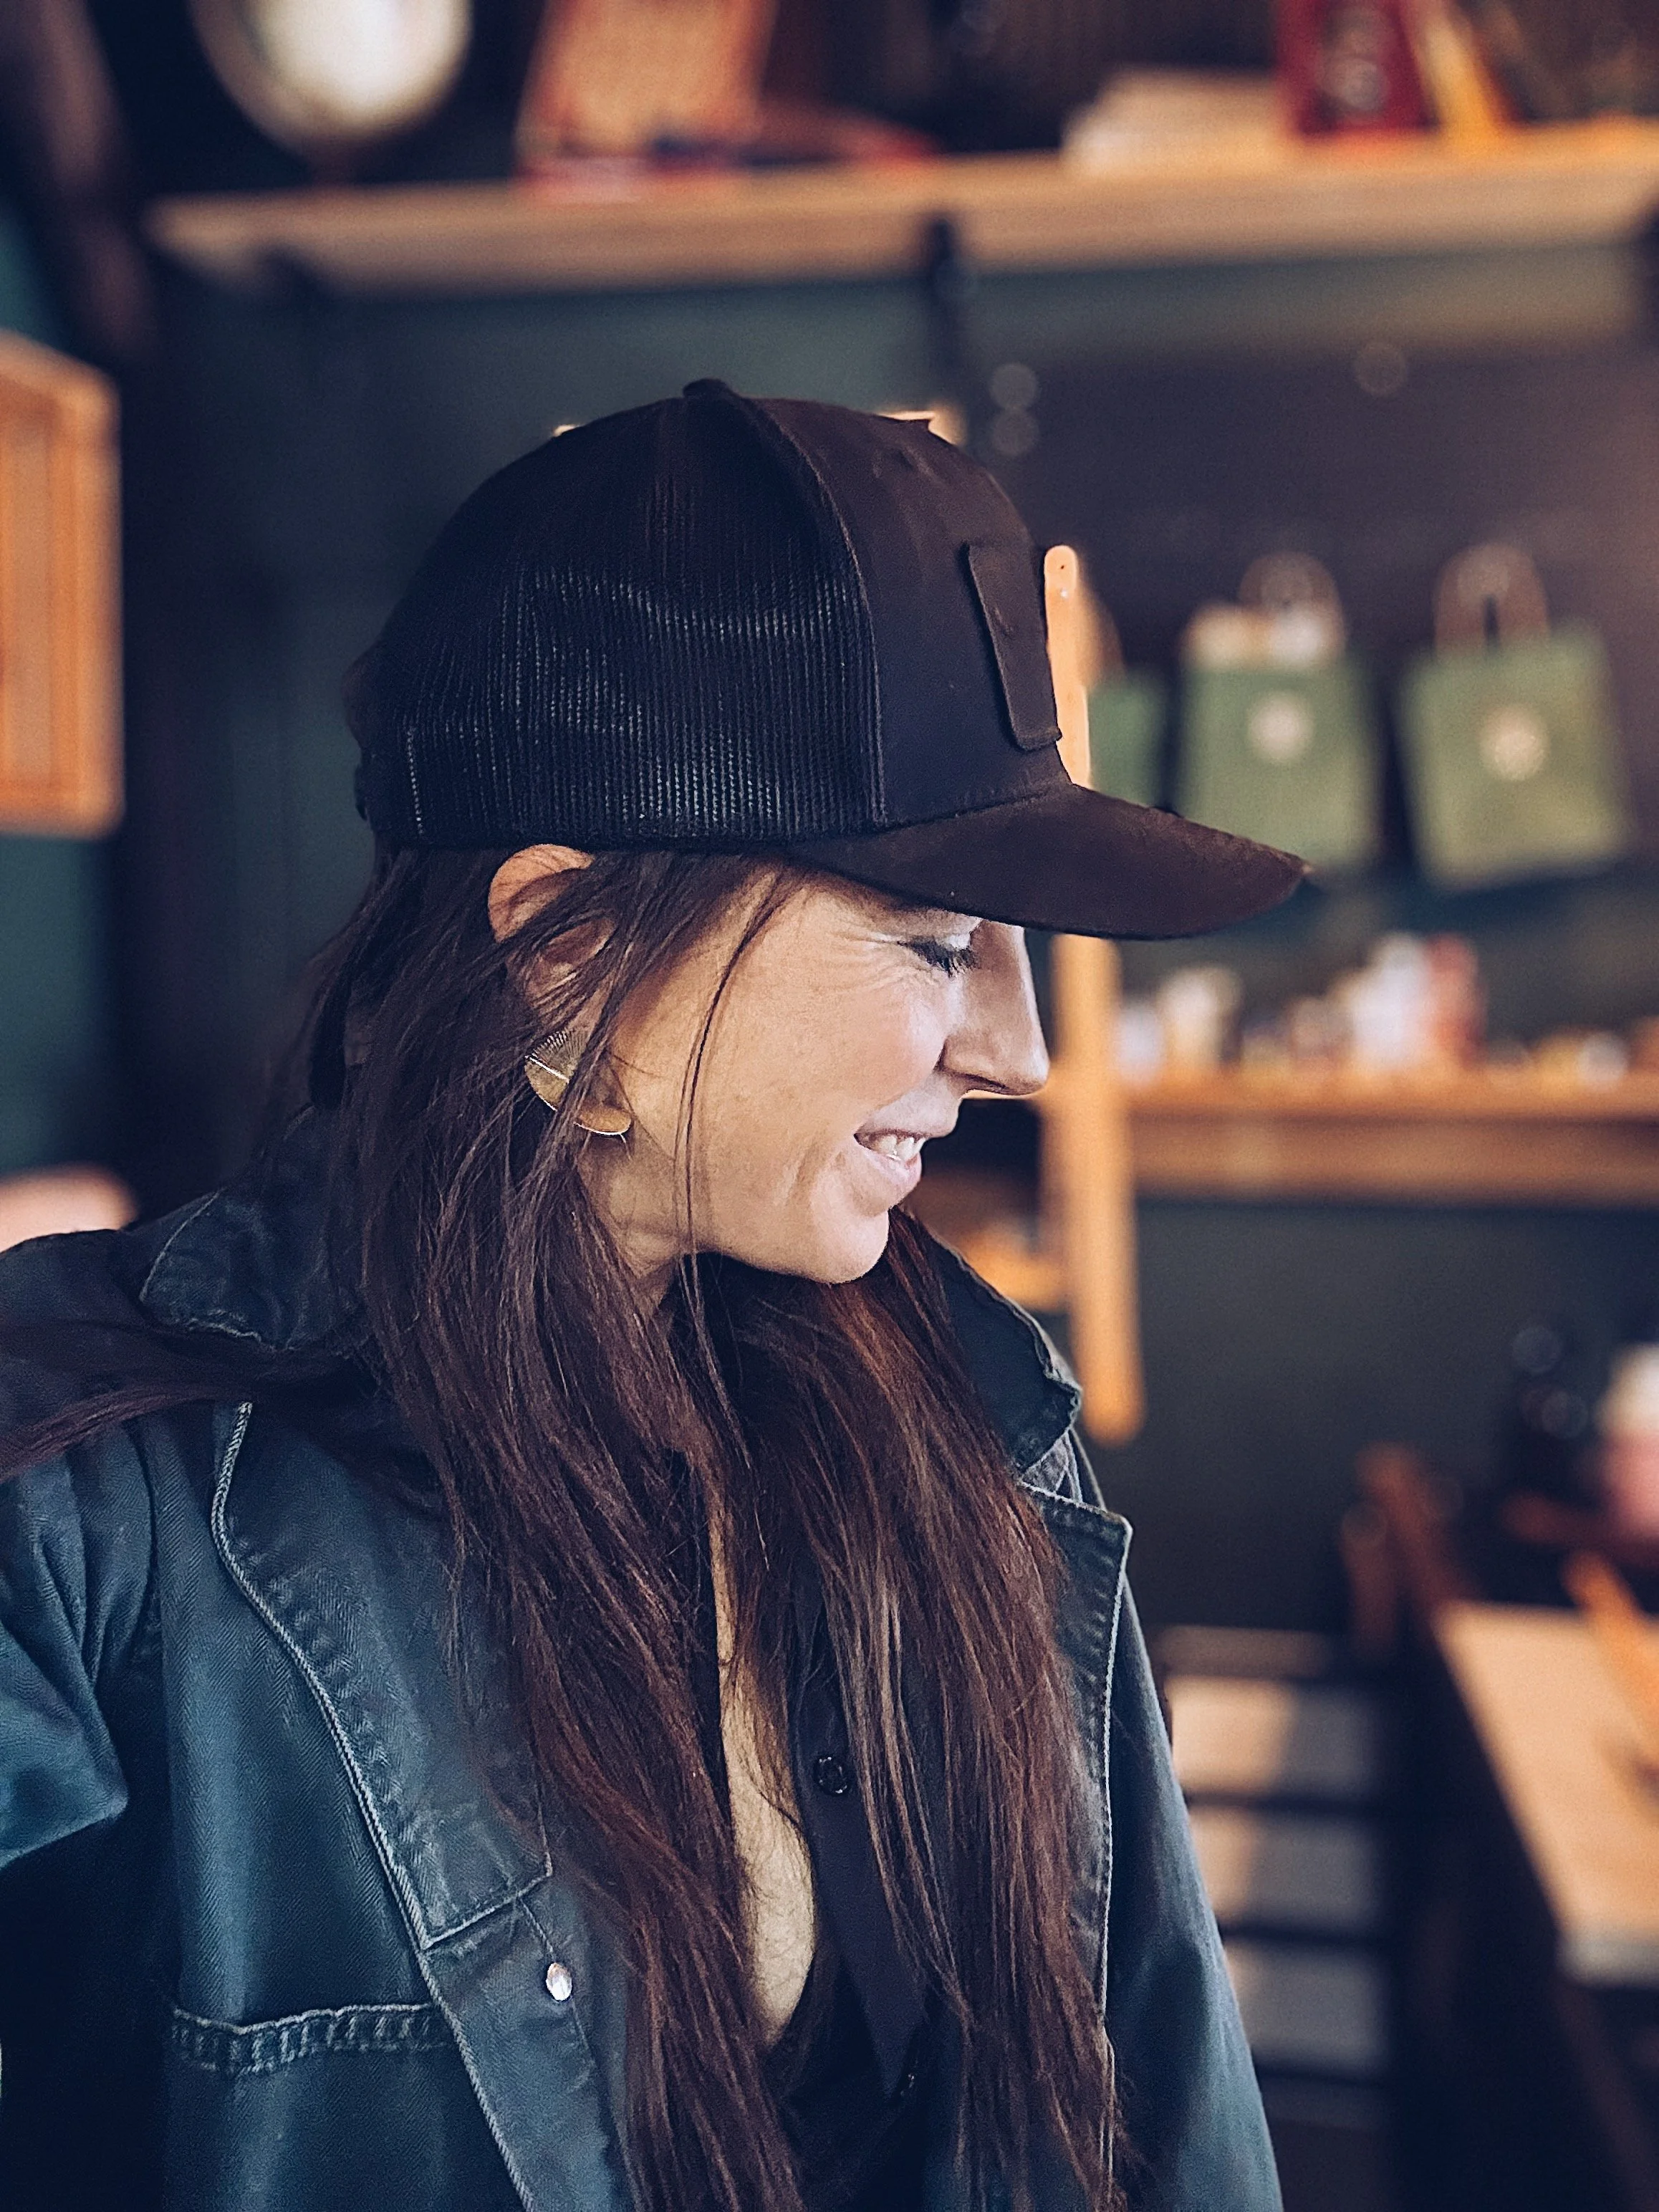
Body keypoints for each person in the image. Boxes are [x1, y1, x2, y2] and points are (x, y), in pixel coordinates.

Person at [0, 383, 1302, 2212]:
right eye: (936, 942)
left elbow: (1171, 2134)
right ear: (571, 952)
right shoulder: (80, 1509)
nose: (1016, 1046)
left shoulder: (977, 1426)